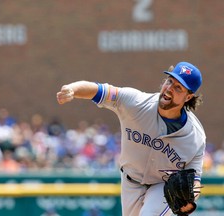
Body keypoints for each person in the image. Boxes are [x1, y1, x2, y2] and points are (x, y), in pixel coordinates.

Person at [56, 62, 206, 216]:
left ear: (188, 97)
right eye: (170, 81)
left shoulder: (195, 137)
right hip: (130, 181)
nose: (169, 89)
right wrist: (73, 89)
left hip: (163, 186)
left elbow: (195, 180)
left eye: (178, 88)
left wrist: (190, 197)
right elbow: (98, 90)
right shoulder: (136, 103)